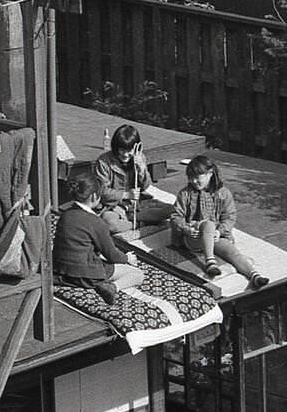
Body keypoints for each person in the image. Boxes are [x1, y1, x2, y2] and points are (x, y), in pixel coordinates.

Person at [171, 155, 269, 289]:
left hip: (214, 236)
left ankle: (254, 275)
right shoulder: (185, 194)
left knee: (233, 253)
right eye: (190, 177)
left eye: (197, 177)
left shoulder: (223, 193)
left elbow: (230, 216)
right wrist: (185, 228)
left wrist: (220, 231)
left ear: (210, 174)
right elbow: (176, 216)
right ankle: (210, 262)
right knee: (208, 224)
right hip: (193, 237)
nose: (193, 181)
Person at [54, 171, 144, 303]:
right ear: (94, 196)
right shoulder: (96, 222)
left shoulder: (65, 215)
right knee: (137, 274)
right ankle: (112, 287)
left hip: (61, 270)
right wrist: (127, 258)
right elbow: (112, 255)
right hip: (85, 273)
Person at [93, 124, 169, 233]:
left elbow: (147, 186)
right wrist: (126, 195)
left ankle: (133, 219)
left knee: (172, 210)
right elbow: (101, 191)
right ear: (116, 147)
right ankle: (141, 222)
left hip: (138, 204)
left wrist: (142, 169)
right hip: (115, 206)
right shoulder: (103, 161)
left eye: (129, 151)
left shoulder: (139, 157)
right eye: (122, 150)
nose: (126, 154)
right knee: (110, 225)